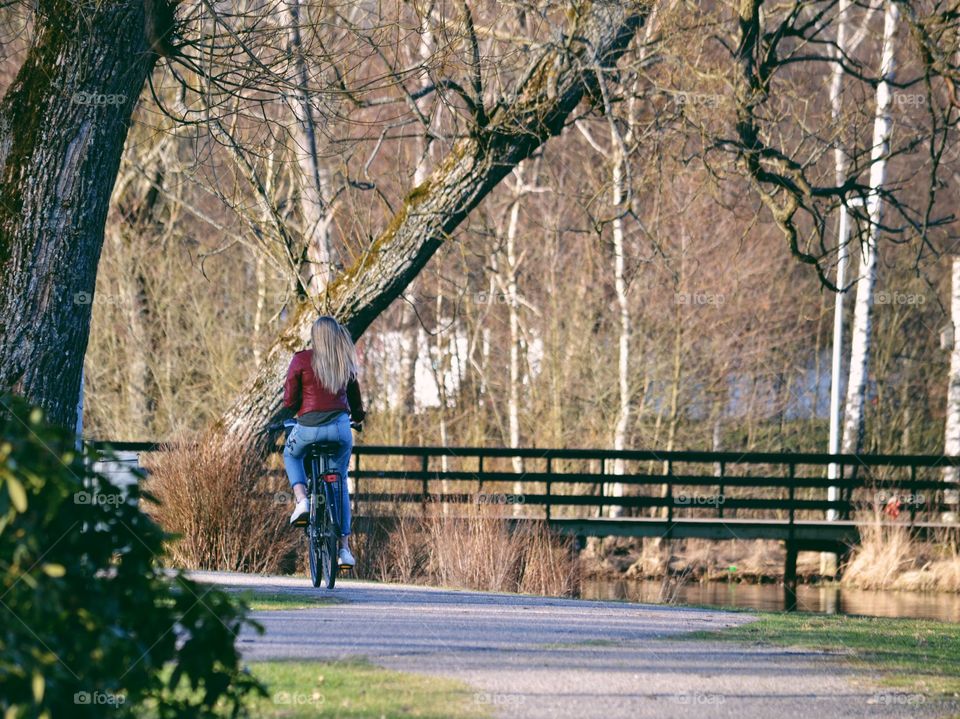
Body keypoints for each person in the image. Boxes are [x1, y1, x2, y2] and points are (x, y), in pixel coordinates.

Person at [282, 316, 365, 568]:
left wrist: (297, 410)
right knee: (339, 484)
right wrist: (358, 417)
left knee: (291, 455)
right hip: (340, 430)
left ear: (314, 336)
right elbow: (356, 401)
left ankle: (302, 501)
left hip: (308, 428)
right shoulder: (343, 361)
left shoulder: (301, 360)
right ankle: (344, 550)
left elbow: (289, 401)